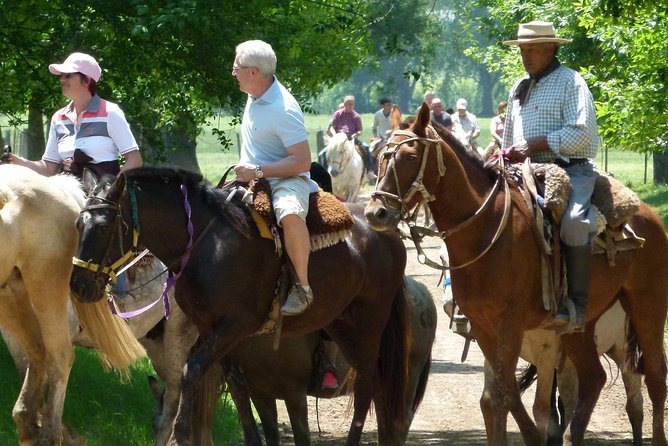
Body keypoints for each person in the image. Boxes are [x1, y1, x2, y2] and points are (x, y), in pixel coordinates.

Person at [503, 21, 599, 332]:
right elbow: (508, 137)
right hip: (524, 172)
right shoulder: (519, 86)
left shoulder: (572, 82)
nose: (524, 55)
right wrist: (502, 158)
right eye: (522, 49)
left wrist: (538, 143)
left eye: (531, 49)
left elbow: (583, 135)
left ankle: (577, 307)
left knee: (573, 223)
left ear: (552, 48)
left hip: (571, 170)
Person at [232, 40, 318, 316]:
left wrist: (257, 171)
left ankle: (302, 288)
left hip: (286, 179)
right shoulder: (254, 93)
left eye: (237, 66)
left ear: (254, 72)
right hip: (249, 177)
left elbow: (302, 161)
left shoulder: (284, 109)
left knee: (290, 214)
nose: (233, 71)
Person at [5, 52, 142, 178]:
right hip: (68, 196)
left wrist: (113, 189)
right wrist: (19, 162)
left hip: (102, 200)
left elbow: (134, 160)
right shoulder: (58, 118)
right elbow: (48, 168)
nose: (62, 80)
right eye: (62, 76)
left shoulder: (110, 112)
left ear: (87, 81)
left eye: (68, 75)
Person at [330, 95, 376, 181]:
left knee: (367, 149)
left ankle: (369, 171)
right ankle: (325, 172)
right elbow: (332, 126)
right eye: (349, 104)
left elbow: (360, 130)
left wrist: (355, 135)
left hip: (351, 139)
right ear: (345, 104)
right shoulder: (337, 114)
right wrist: (334, 134)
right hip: (338, 139)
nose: (351, 106)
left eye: (352, 104)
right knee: (324, 152)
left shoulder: (356, 116)